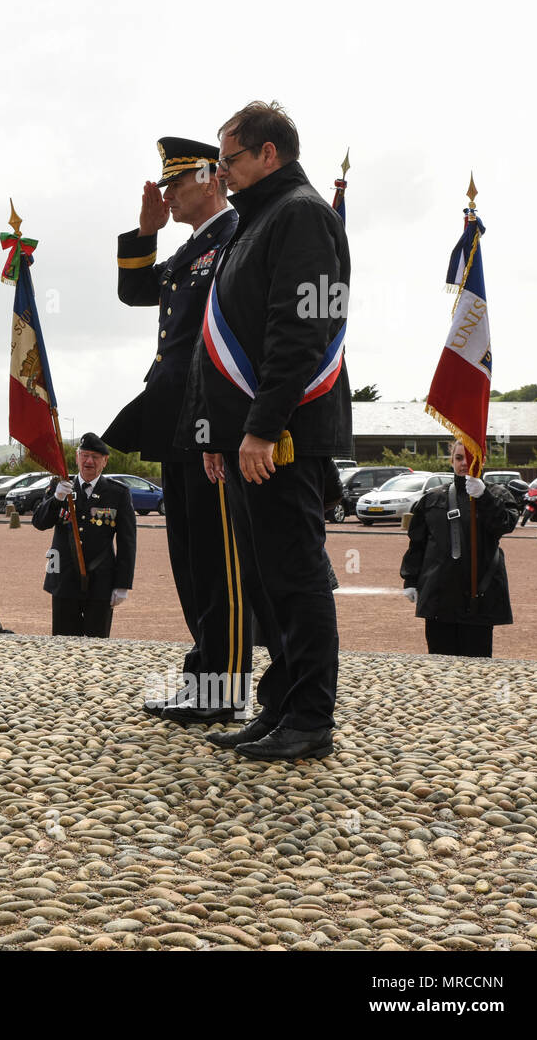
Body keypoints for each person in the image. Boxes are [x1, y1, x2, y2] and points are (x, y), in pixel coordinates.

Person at [180, 101, 352, 762]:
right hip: (251, 442)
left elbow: (298, 332)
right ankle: (278, 708)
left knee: (296, 575)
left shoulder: (301, 215)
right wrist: (217, 437)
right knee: (266, 580)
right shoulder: (257, 223)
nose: (221, 174)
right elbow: (226, 336)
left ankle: (310, 716)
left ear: (268, 155)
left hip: (284, 438)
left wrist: (258, 429)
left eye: (230, 160)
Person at [105, 136, 252, 724]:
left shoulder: (236, 237)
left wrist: (223, 426)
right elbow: (136, 291)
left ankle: (230, 686)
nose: (167, 192)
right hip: (175, 418)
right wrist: (146, 233)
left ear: (211, 177)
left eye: (176, 182)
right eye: (164, 185)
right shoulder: (193, 247)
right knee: (189, 557)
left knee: (220, 560)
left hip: (211, 419)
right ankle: (204, 676)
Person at [400, 440, 518, 657]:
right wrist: (410, 580)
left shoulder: (497, 495)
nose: (465, 463)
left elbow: (505, 524)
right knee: (440, 665)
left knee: (476, 670)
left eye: (471, 458)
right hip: (439, 596)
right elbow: (418, 543)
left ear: (482, 460)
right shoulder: (433, 497)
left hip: (478, 597)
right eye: (459, 458)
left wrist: (484, 497)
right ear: (451, 460)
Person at [31, 432, 136, 637]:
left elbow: (127, 542)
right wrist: (56, 499)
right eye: (85, 455)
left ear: (105, 461)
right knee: (64, 644)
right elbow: (39, 522)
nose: (89, 461)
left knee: (96, 646)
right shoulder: (59, 486)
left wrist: (122, 584)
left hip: (101, 581)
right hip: (64, 579)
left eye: (95, 457)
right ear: (77, 457)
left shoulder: (118, 493)